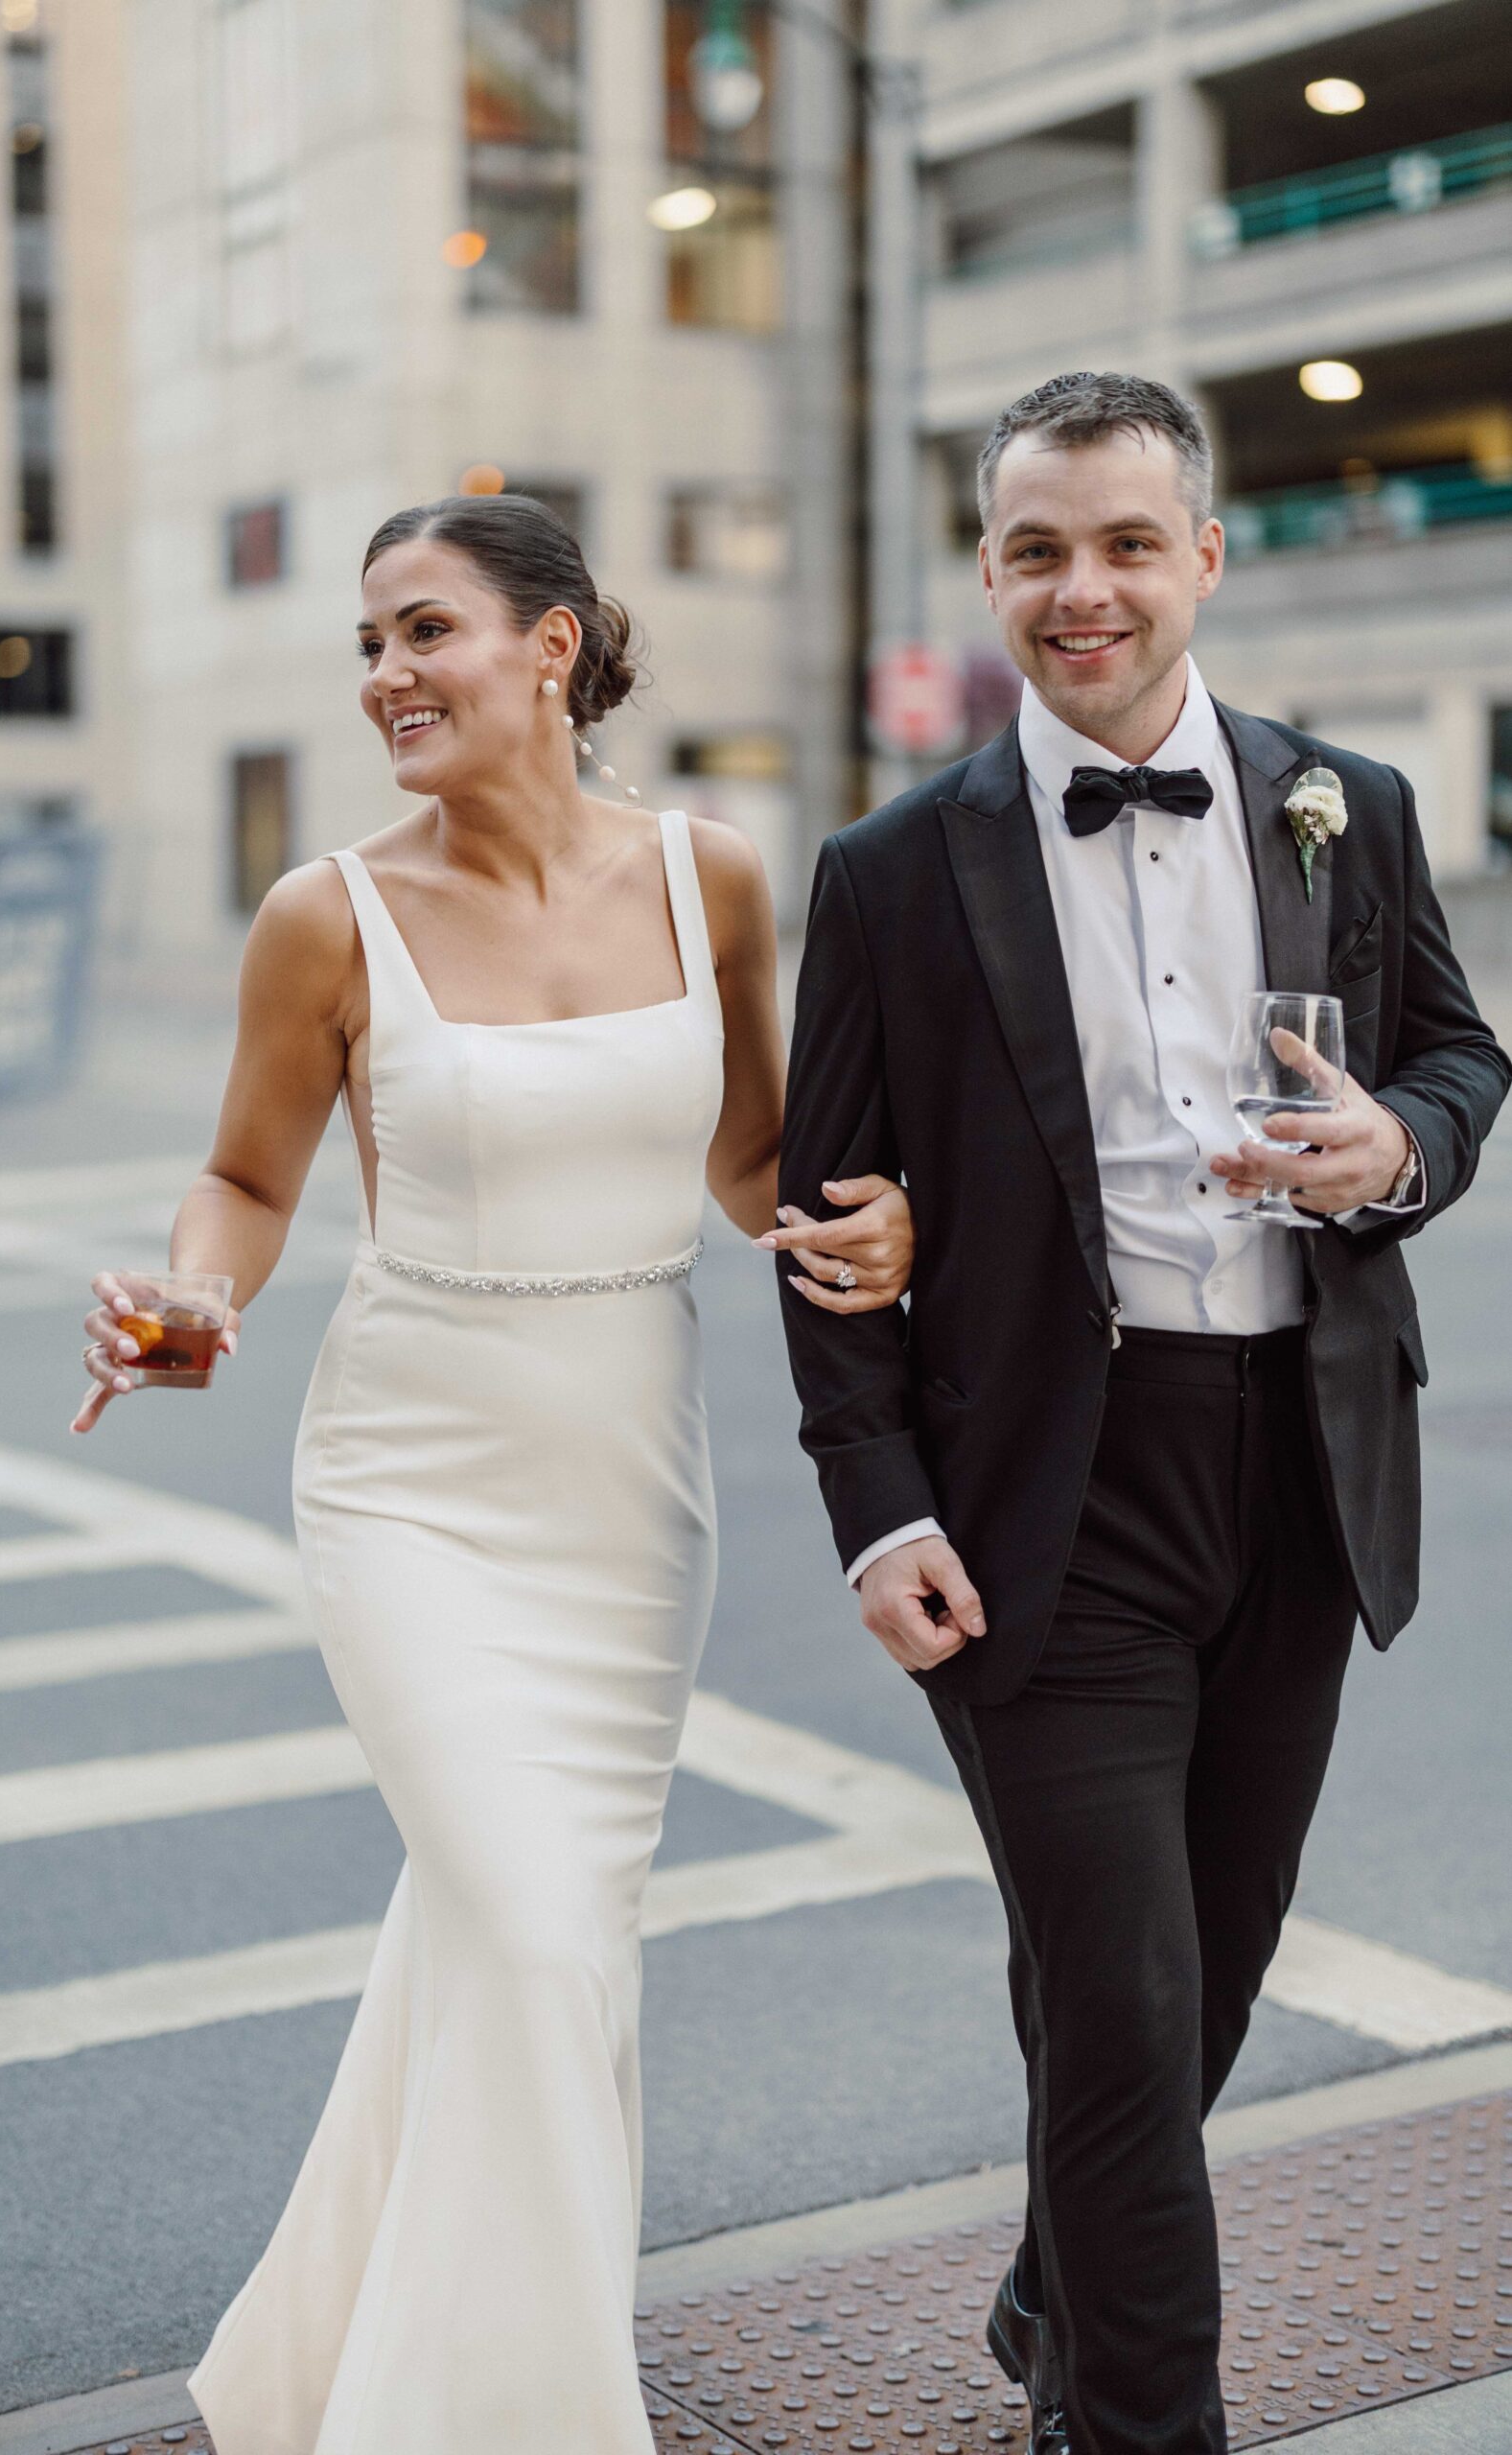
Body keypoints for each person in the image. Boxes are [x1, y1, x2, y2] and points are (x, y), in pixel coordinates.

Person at [71, 492, 915, 2454]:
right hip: (413, 1478)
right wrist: (188, 1300)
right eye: (368, 642)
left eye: (423, 628)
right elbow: (251, 1178)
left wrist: (856, 1230)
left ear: (553, 643)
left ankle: (328, 2370)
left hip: (631, 1495)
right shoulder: (328, 912)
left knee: (518, 1943)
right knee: (533, 1940)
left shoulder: (710, 877)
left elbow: (751, 1155)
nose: (384, 675)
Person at [770, 371, 1510, 2455]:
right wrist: (871, 1501)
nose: (1076, 589)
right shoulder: (894, 869)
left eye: (1118, 542)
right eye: (1030, 549)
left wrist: (1392, 1150)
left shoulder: (1338, 802)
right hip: (1041, 1499)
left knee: (1215, 1971)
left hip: (1294, 1462)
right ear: (987, 570)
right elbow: (819, 1219)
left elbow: (1458, 1061)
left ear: (1198, 551)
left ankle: (1052, 2292)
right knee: (1115, 1997)